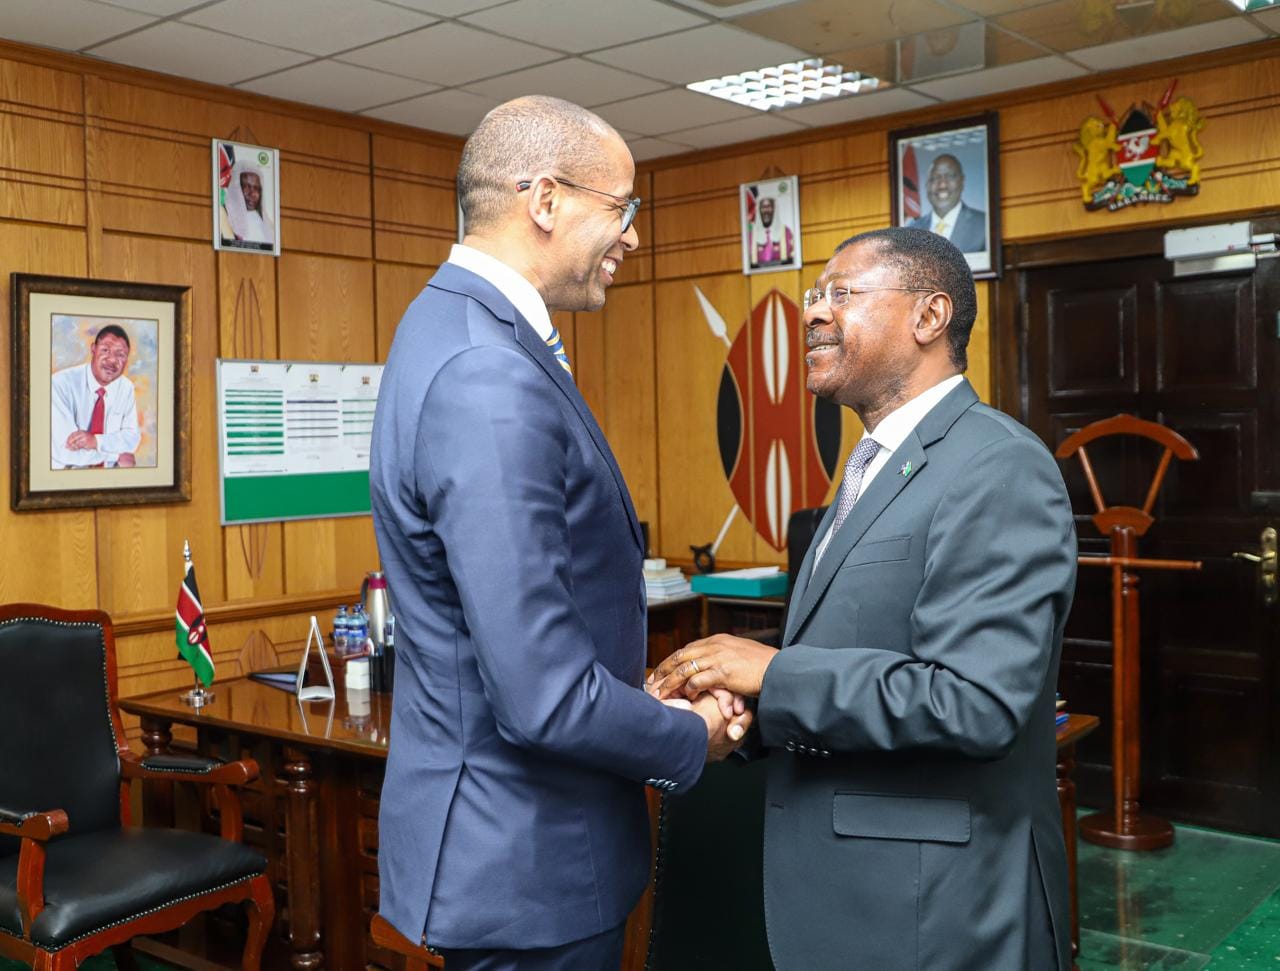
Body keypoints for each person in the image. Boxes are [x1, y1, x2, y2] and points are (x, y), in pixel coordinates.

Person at [369, 96, 748, 971]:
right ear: (545, 200)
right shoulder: (487, 372)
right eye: (623, 209)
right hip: (525, 865)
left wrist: (637, 703)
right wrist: (691, 734)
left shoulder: (453, 328)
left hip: (516, 851)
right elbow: (540, 694)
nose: (633, 237)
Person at [649, 226, 1077, 970]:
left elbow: (974, 702)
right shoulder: (871, 466)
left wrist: (771, 673)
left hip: (936, 912)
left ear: (929, 316)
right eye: (814, 295)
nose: (813, 312)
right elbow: (855, 659)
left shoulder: (998, 466)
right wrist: (739, 723)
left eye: (842, 293)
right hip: (841, 898)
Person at [49, 323, 140, 469]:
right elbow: (63, 450)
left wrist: (96, 442)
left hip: (109, 479)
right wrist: (115, 456)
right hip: (64, 478)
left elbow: (132, 439)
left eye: (120, 355)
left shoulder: (126, 388)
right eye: (105, 350)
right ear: (93, 349)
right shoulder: (60, 384)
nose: (112, 360)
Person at [909, 153, 987, 253]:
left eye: (950, 176)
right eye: (935, 178)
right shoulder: (912, 230)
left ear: (962, 181)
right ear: (927, 184)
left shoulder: (983, 225)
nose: (942, 185)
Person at [219, 158, 275, 247]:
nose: (253, 194)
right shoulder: (223, 213)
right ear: (236, 186)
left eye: (257, 188)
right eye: (247, 186)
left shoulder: (264, 218)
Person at [750, 194, 795, 266]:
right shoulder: (751, 235)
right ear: (759, 210)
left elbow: (793, 257)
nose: (766, 211)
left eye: (769, 207)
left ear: (774, 209)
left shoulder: (786, 232)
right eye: (763, 207)